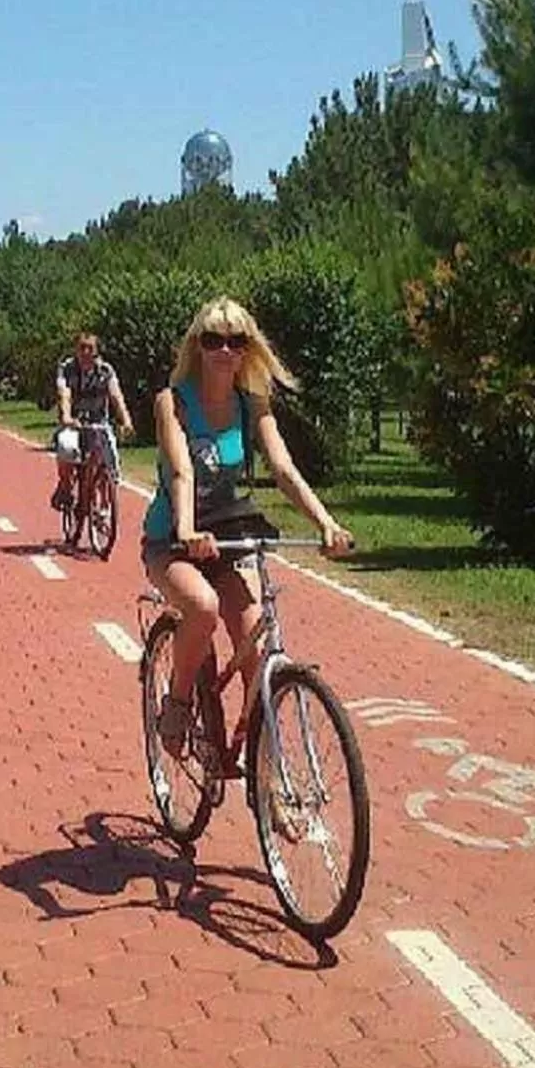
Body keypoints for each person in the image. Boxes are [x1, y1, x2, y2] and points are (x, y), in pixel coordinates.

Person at [141, 298, 353, 755]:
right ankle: (178, 703)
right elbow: (182, 471)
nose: (225, 350)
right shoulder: (172, 402)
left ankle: (261, 765)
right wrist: (186, 530)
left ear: (248, 349)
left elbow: (283, 468)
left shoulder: (252, 403)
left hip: (230, 535)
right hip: (173, 538)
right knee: (201, 607)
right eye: (213, 340)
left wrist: (326, 523)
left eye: (236, 341)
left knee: (257, 652)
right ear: (197, 346)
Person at [50, 332, 134, 511]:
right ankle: (65, 485)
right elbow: (64, 394)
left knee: (109, 459)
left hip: (98, 423)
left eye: (90, 348)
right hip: (74, 423)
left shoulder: (105, 370)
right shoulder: (67, 368)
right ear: (76, 350)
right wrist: (66, 417)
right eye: (82, 348)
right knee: (66, 448)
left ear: (96, 351)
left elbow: (115, 395)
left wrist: (125, 420)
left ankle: (104, 502)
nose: (86, 352)